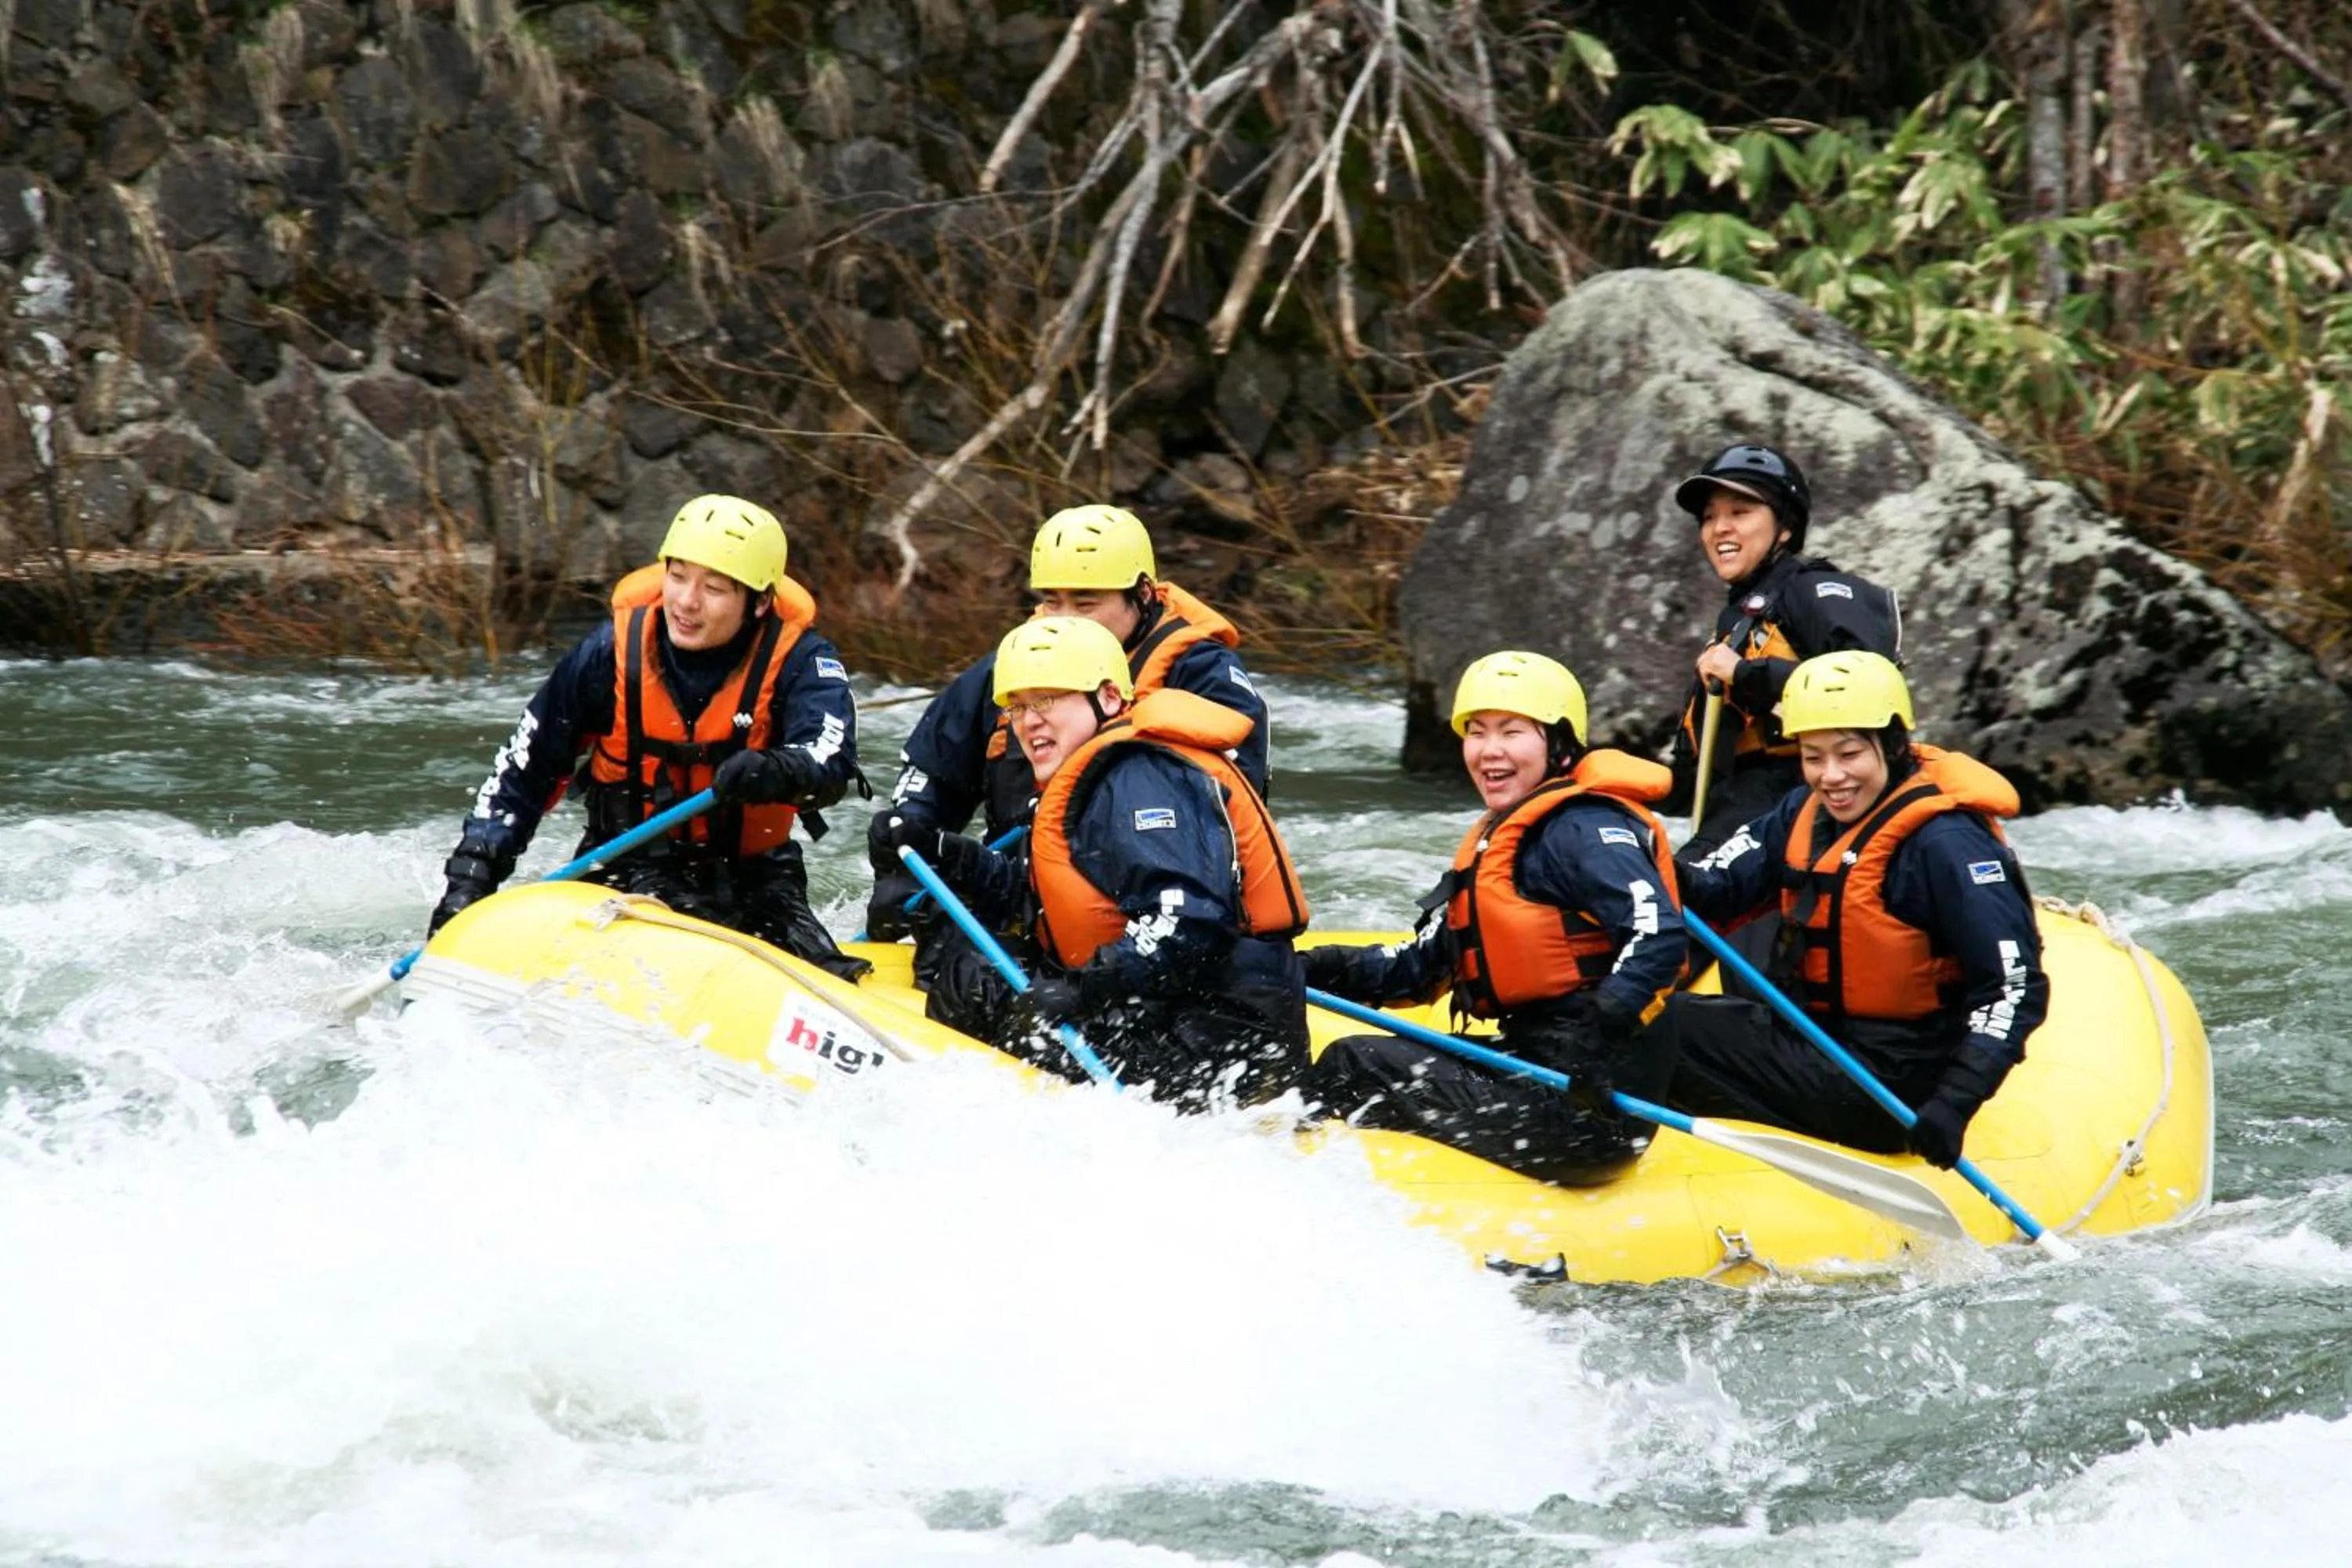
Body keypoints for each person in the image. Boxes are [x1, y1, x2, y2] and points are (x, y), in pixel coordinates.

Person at [427, 494, 871, 980]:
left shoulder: (803, 662)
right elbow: (523, 773)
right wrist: (471, 880)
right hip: (621, 869)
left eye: (715, 588)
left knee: (825, 974)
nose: (686, 601)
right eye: (677, 577)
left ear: (760, 602)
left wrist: (777, 770)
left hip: (756, 880)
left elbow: (829, 761)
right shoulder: (607, 653)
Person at [877, 615, 1311, 1109]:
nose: (1029, 720)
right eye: (1017, 707)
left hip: (1220, 1049)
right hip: (1191, 1022)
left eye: (1047, 699)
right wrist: (941, 852)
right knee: (984, 964)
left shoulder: (1141, 778)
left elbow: (1189, 924)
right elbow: (1043, 896)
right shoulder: (1100, 774)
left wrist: (1081, 989)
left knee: (975, 984)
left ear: (1108, 698)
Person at [1297, 652, 1686, 1188]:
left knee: (1355, 1063)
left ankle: (1291, 1179)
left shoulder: (1584, 830)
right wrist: (1303, 967)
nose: (1490, 750)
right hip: (1536, 1067)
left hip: (1589, 1112)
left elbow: (1658, 932)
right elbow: (1417, 967)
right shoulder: (1503, 837)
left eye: (1512, 732)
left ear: (1558, 743)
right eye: (1477, 732)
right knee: (1362, 1057)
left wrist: (1602, 1038)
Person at [1660, 651, 2049, 1167]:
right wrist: (1642, 862)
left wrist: (1955, 1102)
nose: (1830, 776)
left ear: (1890, 743)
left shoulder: (1947, 844)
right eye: (1813, 756)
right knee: (1648, 1008)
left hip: (1894, 1087)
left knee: (1664, 1028)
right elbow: (1715, 888)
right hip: (1816, 1046)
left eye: (1848, 754)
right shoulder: (1802, 810)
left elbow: (2014, 986)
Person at [862, 504, 1269, 953]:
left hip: (1136, 907)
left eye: (1085, 603)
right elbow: (934, 771)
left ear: (1144, 593)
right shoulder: (1018, 662)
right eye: (1052, 600)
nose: (1063, 618)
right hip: (1017, 889)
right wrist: (907, 865)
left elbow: (1222, 812)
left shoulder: (1204, 674)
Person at [1667, 444, 1902, 856]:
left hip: (1803, 796)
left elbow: (1869, 686)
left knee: (1686, 893)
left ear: (1786, 528)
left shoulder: (1813, 592)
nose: (1719, 528)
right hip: (1738, 805)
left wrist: (1744, 675)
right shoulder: (1740, 617)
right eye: (1709, 518)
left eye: (1739, 513)